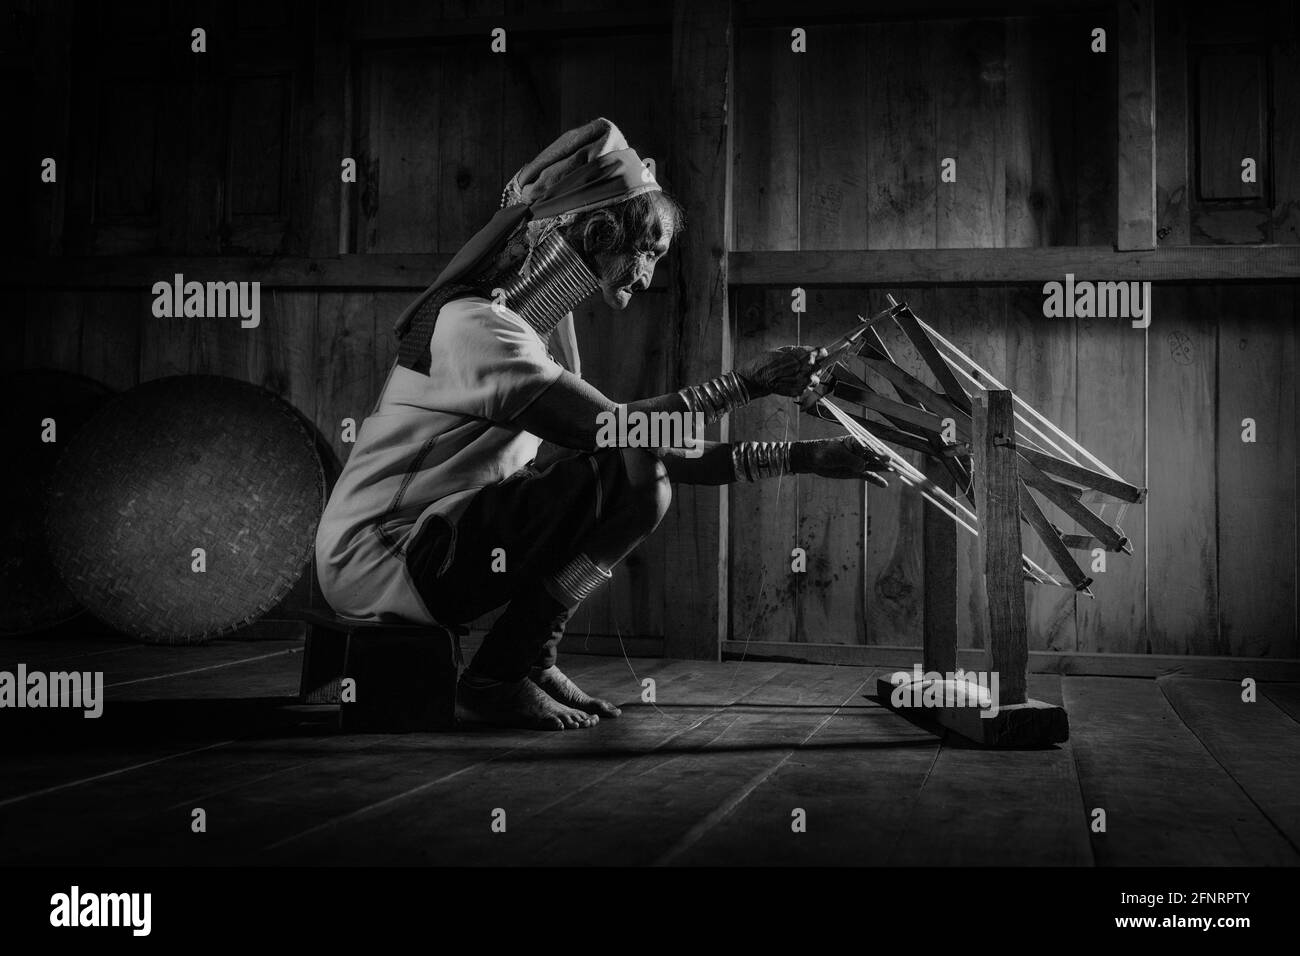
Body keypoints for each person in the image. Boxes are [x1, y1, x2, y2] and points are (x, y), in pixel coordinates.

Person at [315, 118, 890, 731]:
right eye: (644, 252)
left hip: (431, 546)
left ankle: (527, 658)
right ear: (594, 231)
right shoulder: (474, 327)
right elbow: (622, 433)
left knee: (638, 473)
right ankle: (502, 672)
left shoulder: (528, 334)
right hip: (381, 559)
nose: (645, 276)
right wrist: (748, 383)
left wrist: (807, 457)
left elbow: (650, 443)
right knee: (636, 482)